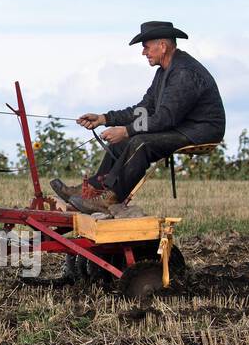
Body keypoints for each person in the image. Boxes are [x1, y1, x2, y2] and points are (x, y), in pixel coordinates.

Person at [52, 21, 225, 214]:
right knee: (120, 144)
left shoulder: (184, 72)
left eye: (146, 47)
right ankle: (91, 190)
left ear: (163, 46)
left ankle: (110, 199)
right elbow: (143, 110)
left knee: (141, 142)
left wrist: (126, 131)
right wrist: (104, 118)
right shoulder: (163, 72)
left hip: (199, 131)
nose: (144, 53)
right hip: (181, 127)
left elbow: (165, 118)